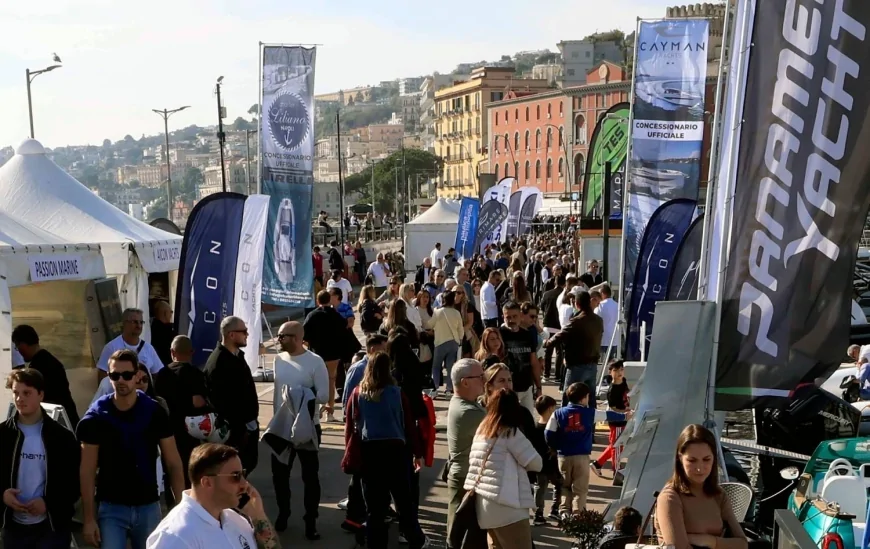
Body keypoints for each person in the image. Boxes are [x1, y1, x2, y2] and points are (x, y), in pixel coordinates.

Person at [77, 349, 185, 549]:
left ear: (137, 376)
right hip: (110, 508)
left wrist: (181, 508)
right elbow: (87, 470)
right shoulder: (97, 416)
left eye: (127, 375)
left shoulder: (154, 412)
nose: (121, 380)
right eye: (115, 375)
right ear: (108, 377)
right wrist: (89, 519)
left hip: (148, 506)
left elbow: (173, 463)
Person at [344, 352, 427, 549]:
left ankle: (376, 544)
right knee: (404, 503)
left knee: (375, 509)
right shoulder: (397, 393)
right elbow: (408, 425)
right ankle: (416, 540)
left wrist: (351, 452)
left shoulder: (357, 394)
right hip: (397, 452)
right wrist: (418, 453)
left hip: (368, 453)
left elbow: (350, 427)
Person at [145, 443, 281, 549]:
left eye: (243, 474)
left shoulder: (236, 520)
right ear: (207, 482)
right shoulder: (175, 536)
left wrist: (258, 515)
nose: (245, 484)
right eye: (235, 476)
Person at [1, 369, 80, 549]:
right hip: (12, 528)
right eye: (16, 393)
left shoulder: (62, 438)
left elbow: (73, 484)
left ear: (41, 395)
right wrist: (4, 494)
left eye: (26, 393)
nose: (20, 398)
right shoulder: (4, 434)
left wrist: (48, 503)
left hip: (51, 529)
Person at [271, 321, 328, 538]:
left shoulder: (315, 362)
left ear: (295, 337)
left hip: (307, 428)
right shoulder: (278, 359)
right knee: (280, 475)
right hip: (281, 427)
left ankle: (310, 520)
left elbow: (323, 395)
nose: (278, 340)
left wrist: (300, 394)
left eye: (282, 336)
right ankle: (283, 513)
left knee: (309, 477)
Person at [464, 389, 542, 549]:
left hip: (485, 507)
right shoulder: (510, 433)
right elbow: (537, 463)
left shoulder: (482, 430)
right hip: (509, 507)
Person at [655, 425, 747, 549]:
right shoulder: (670, 497)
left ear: (714, 459)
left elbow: (742, 544)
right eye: (692, 461)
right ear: (680, 458)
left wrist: (710, 541)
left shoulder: (719, 495)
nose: (699, 468)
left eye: (706, 459)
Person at [545, 382, 627, 516]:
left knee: (565, 486)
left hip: (563, 456)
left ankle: (564, 511)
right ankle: (578, 514)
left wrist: (556, 446)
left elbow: (548, 433)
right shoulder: (589, 412)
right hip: (582, 457)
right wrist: (625, 416)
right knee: (580, 489)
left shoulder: (558, 413)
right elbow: (607, 415)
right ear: (583, 398)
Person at [204, 316, 259, 475]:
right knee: (234, 471)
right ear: (231, 335)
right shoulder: (219, 362)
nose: (247, 334)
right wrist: (239, 429)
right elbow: (221, 401)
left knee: (248, 464)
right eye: (244, 331)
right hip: (235, 431)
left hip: (247, 427)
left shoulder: (236, 356)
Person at [154, 335, 209, 488]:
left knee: (171, 473)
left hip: (168, 434)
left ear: (172, 352)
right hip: (193, 435)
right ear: (192, 352)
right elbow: (202, 403)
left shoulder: (163, 375)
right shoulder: (197, 375)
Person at [445, 359, 486, 546]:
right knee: (458, 535)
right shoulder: (469, 412)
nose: (484, 381)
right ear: (465, 382)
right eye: (480, 377)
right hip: (465, 478)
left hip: (463, 475)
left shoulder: (464, 403)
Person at [11, 325, 79, 427]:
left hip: (58, 419)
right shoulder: (50, 360)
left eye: (17, 346)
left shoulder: (36, 368)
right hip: (67, 415)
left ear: (23, 345)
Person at [545, 290, 603, 408]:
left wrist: (546, 343)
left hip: (577, 365)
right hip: (592, 364)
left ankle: (564, 423)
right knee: (590, 399)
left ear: (576, 304)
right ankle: (591, 424)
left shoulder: (576, 321)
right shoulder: (598, 320)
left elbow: (558, 337)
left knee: (569, 396)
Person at [303, 290, 347, 422]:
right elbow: (344, 328)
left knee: (315, 382)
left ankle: (317, 411)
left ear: (317, 301)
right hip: (333, 353)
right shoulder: (336, 315)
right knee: (331, 381)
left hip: (317, 353)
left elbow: (304, 335)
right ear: (329, 300)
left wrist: (309, 345)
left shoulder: (312, 315)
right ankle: (330, 413)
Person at [592, 361, 631, 485]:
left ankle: (598, 464)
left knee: (615, 444)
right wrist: (626, 412)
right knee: (617, 446)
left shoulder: (623, 382)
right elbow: (613, 408)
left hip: (624, 418)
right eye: (616, 370)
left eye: (621, 370)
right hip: (617, 421)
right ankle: (616, 472)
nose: (619, 373)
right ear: (610, 372)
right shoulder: (612, 390)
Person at [97, 308, 164, 380]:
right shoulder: (111, 347)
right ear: (124, 323)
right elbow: (102, 378)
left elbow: (159, 375)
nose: (139, 326)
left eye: (141, 322)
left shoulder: (148, 348)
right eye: (134, 322)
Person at [500, 302, 541, 415]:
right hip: (506, 388)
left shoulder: (527, 335)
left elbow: (534, 362)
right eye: (508, 317)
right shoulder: (499, 335)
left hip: (526, 386)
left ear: (520, 316)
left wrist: (538, 387)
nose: (511, 320)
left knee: (528, 421)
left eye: (515, 316)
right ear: (503, 316)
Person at [531, 395, 561, 525]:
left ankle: (538, 514)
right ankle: (554, 509)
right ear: (550, 409)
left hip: (539, 464)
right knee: (559, 485)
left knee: (540, 489)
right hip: (552, 464)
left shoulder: (535, 428)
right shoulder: (554, 428)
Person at [431, 290, 464, 395]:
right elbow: (461, 330)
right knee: (450, 366)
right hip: (453, 342)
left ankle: (435, 387)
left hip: (440, 342)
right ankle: (449, 389)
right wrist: (459, 340)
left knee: (436, 366)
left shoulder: (437, 312)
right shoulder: (456, 313)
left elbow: (430, 325)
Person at [541, 275, 566, 381]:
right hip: (558, 326)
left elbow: (542, 307)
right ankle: (557, 375)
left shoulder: (547, 294)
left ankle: (546, 374)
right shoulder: (564, 296)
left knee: (548, 351)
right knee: (559, 351)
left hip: (547, 324)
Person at [595, 284, 619, 358]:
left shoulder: (599, 306)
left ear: (602, 293)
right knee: (611, 363)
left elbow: (595, 319)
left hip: (602, 339)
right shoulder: (617, 305)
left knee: (600, 364)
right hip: (614, 338)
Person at [150, 301, 176, 367]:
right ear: (165, 313)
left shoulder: (151, 329)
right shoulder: (167, 332)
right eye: (171, 312)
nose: (171, 315)